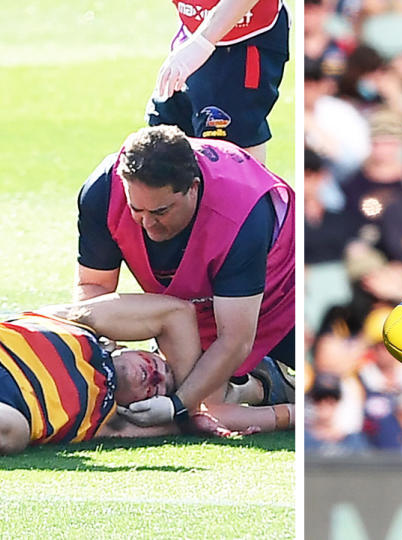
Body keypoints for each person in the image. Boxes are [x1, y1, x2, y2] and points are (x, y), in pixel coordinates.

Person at [0, 292, 292, 457]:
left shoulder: (111, 421)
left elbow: (208, 421)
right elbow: (174, 314)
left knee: (1, 432)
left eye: (159, 385)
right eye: (158, 363)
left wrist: (184, 412)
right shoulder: (79, 323)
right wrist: (184, 391)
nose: (156, 374)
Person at [75, 125, 294, 427]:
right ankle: (257, 383)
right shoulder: (102, 191)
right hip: (194, 302)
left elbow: (235, 338)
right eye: (137, 209)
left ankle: (274, 384)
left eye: (161, 212)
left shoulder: (242, 213)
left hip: (283, 298)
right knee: (200, 397)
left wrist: (176, 406)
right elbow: (94, 286)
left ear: (193, 187)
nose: (147, 224)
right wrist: (98, 353)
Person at [147, 0, 289, 164]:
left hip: (242, 35)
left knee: (225, 146)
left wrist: (202, 42)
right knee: (165, 139)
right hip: (194, 27)